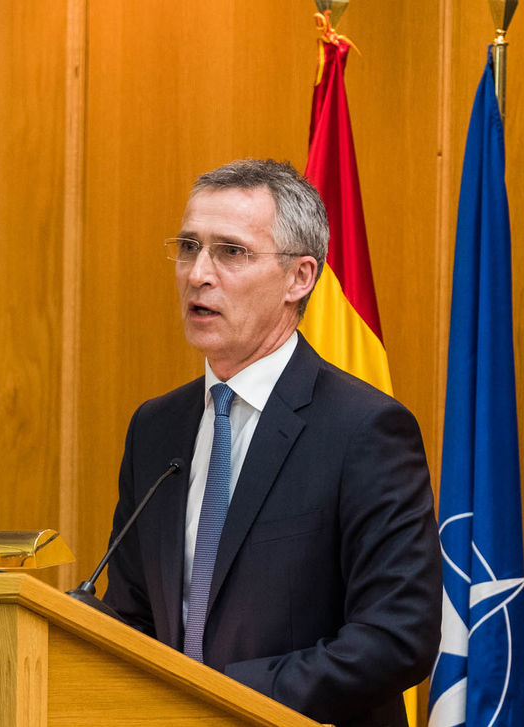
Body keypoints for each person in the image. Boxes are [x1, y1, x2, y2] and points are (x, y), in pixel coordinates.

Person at [102, 159, 442, 727]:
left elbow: (396, 635)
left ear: (299, 277)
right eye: (189, 246)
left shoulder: (365, 429)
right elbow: (133, 613)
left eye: (230, 252)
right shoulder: (156, 428)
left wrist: (217, 700)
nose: (197, 274)